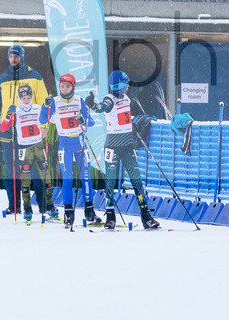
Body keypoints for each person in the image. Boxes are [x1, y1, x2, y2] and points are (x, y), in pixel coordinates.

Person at [84, 70, 160, 230]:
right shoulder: (109, 98)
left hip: (128, 144)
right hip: (112, 145)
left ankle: (146, 215)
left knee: (136, 179)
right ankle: (110, 216)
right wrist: (92, 105)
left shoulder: (126, 98)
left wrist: (133, 125)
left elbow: (121, 117)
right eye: (125, 85)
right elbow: (102, 108)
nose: (127, 88)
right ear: (120, 85)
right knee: (110, 180)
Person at [0, 45, 49, 215]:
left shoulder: (34, 76)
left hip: (30, 130)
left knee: (36, 168)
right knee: (11, 169)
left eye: (16, 56)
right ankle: (14, 204)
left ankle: (43, 204)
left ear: (22, 57)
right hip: (8, 130)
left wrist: (44, 126)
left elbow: (44, 104)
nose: (13, 59)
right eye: (10, 56)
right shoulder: (2, 78)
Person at [41, 73, 95, 226]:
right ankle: (68, 212)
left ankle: (89, 210)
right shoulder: (55, 102)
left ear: (73, 87)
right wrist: (45, 106)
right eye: (62, 86)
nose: (64, 89)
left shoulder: (79, 101)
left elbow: (91, 121)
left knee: (85, 178)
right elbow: (42, 119)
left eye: (68, 86)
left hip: (80, 144)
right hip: (64, 146)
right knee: (68, 179)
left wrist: (84, 120)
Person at [0, 84, 53, 223]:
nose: (27, 100)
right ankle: (27, 207)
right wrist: (8, 116)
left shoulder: (36, 107)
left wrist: (48, 107)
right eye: (24, 98)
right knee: (26, 180)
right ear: (19, 98)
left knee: (45, 176)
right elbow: (4, 128)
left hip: (38, 145)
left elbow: (49, 117)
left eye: (29, 97)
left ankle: (48, 206)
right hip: (24, 148)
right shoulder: (16, 111)